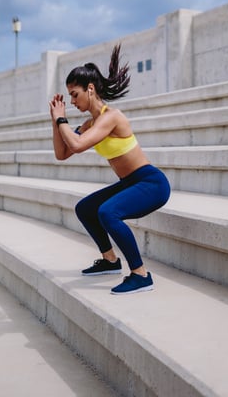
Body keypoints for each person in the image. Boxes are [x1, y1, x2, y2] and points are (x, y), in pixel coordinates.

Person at [49, 44, 171, 295]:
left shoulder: (111, 117)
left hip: (150, 183)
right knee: (86, 208)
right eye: (69, 96)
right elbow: (62, 153)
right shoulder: (89, 123)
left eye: (75, 94)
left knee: (108, 212)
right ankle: (110, 261)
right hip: (130, 183)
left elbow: (78, 145)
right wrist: (55, 122)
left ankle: (140, 274)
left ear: (90, 89)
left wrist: (62, 120)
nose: (71, 101)